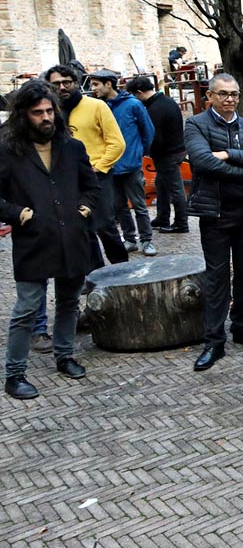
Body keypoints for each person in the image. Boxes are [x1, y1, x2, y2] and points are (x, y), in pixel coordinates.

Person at [0, 80, 100, 399]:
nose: (46, 118)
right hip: (33, 239)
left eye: (49, 111)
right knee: (27, 307)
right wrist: (19, 215)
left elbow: (92, 186)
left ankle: (65, 355)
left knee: (69, 301)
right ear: (22, 115)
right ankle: (15, 375)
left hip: (72, 236)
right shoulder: (8, 151)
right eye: (37, 112)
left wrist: (85, 207)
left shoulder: (72, 147)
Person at [183, 73, 243, 371]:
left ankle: (242, 326)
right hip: (215, 213)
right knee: (217, 276)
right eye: (223, 94)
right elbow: (202, 161)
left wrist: (227, 155)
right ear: (210, 96)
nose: (230, 99)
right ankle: (214, 340)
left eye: (234, 94)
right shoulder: (197, 124)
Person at [43, 64, 128, 265]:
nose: (62, 87)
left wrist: (99, 167)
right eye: (56, 84)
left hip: (98, 176)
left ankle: (122, 271)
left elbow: (117, 143)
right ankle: (94, 275)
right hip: (67, 180)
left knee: (105, 225)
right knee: (81, 228)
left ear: (76, 83)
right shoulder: (50, 112)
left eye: (67, 82)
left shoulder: (97, 106)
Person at [89, 70, 156, 257]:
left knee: (139, 204)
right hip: (109, 165)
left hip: (131, 164)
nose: (93, 89)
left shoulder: (133, 104)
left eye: (96, 84)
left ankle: (146, 240)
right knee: (119, 206)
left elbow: (148, 131)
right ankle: (129, 239)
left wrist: (138, 153)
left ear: (108, 84)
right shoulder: (99, 107)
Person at [126, 76, 190, 234]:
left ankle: (181, 223)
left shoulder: (155, 108)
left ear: (140, 93)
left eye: (135, 96)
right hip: (176, 149)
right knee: (161, 185)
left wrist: (143, 150)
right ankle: (162, 217)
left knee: (176, 189)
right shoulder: (166, 101)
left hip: (167, 153)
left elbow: (154, 136)